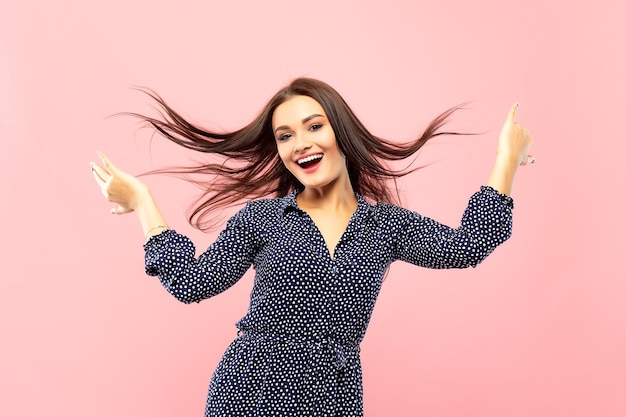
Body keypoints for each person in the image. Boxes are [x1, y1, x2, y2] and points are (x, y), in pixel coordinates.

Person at [90, 77, 534, 416]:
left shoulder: (385, 227)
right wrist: (142, 203)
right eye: (285, 136)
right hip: (248, 392)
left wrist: (506, 161)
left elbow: (468, 245)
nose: (300, 144)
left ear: (340, 132)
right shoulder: (261, 220)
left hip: (334, 400)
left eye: (314, 126)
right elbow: (191, 283)